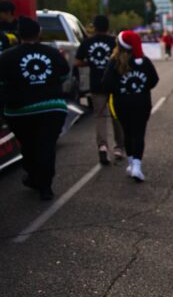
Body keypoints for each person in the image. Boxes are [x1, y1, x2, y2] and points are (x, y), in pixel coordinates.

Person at [0, 16, 69, 200]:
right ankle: (45, 186)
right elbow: (64, 74)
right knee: (46, 146)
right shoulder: (53, 53)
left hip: (19, 111)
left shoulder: (6, 57)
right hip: (52, 107)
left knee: (29, 145)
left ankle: (34, 176)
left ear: (19, 34)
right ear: (39, 33)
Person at [102, 31, 159, 182]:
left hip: (122, 103)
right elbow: (154, 80)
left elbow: (106, 83)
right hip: (142, 102)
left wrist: (119, 89)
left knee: (127, 132)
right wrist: (142, 87)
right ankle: (137, 167)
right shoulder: (144, 61)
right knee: (139, 134)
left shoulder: (114, 62)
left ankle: (131, 164)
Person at [74, 14, 125, 165]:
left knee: (100, 116)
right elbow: (122, 61)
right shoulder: (114, 42)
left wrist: (91, 63)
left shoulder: (87, 42)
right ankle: (119, 147)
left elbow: (77, 62)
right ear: (108, 27)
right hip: (114, 84)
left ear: (94, 27)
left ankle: (102, 146)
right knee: (116, 116)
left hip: (96, 84)